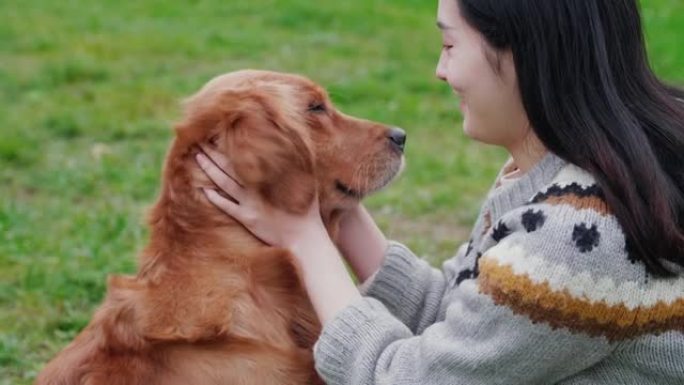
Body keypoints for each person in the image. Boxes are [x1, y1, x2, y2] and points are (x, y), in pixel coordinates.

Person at [195, 0, 684, 383]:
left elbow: (404, 377)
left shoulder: (577, 233)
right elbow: (464, 318)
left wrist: (306, 241)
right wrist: (335, 209)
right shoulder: (571, 176)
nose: (440, 70)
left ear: (522, 52)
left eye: (450, 46)